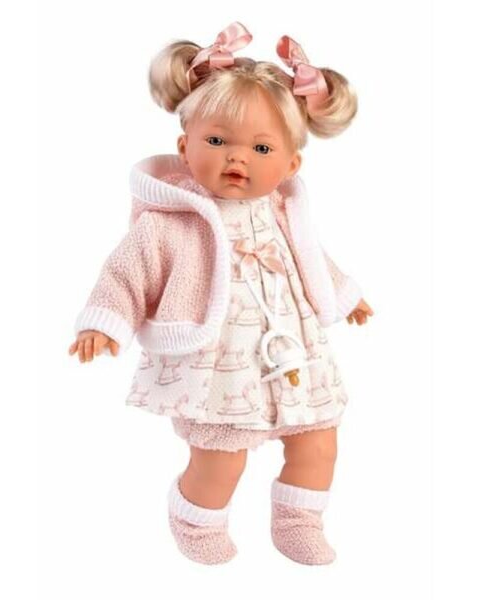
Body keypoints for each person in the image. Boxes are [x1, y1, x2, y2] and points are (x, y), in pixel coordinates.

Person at [68, 21, 374, 566]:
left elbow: (310, 259)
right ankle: (195, 519)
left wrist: (344, 294)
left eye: (261, 147)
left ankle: (298, 522)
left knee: (319, 444)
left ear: (290, 164)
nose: (238, 159)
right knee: (221, 459)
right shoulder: (171, 221)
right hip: (220, 366)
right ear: (184, 147)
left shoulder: (283, 212)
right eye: (217, 141)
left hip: (293, 358)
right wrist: (104, 320)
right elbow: (127, 270)